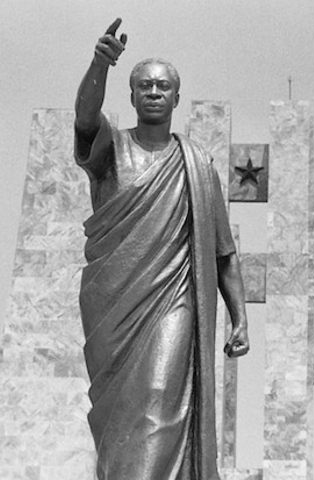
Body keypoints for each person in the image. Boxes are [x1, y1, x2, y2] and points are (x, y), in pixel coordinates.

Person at [74, 18, 249, 480]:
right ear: (131, 97)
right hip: (112, 304)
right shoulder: (111, 149)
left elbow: (222, 252)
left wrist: (240, 317)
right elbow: (86, 119)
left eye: (163, 85)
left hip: (174, 300)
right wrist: (100, 63)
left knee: (158, 402)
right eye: (144, 85)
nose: (153, 91)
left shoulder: (196, 164)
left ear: (176, 96)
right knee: (118, 421)